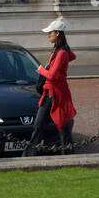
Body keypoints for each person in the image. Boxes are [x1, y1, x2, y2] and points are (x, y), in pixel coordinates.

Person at [25, 18, 77, 155]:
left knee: (62, 126)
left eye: (51, 33)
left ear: (58, 33)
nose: (48, 35)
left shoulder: (61, 52)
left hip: (57, 94)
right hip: (49, 93)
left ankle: (68, 155)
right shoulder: (58, 50)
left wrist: (41, 69)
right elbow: (72, 56)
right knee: (38, 125)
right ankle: (30, 155)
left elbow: (52, 75)